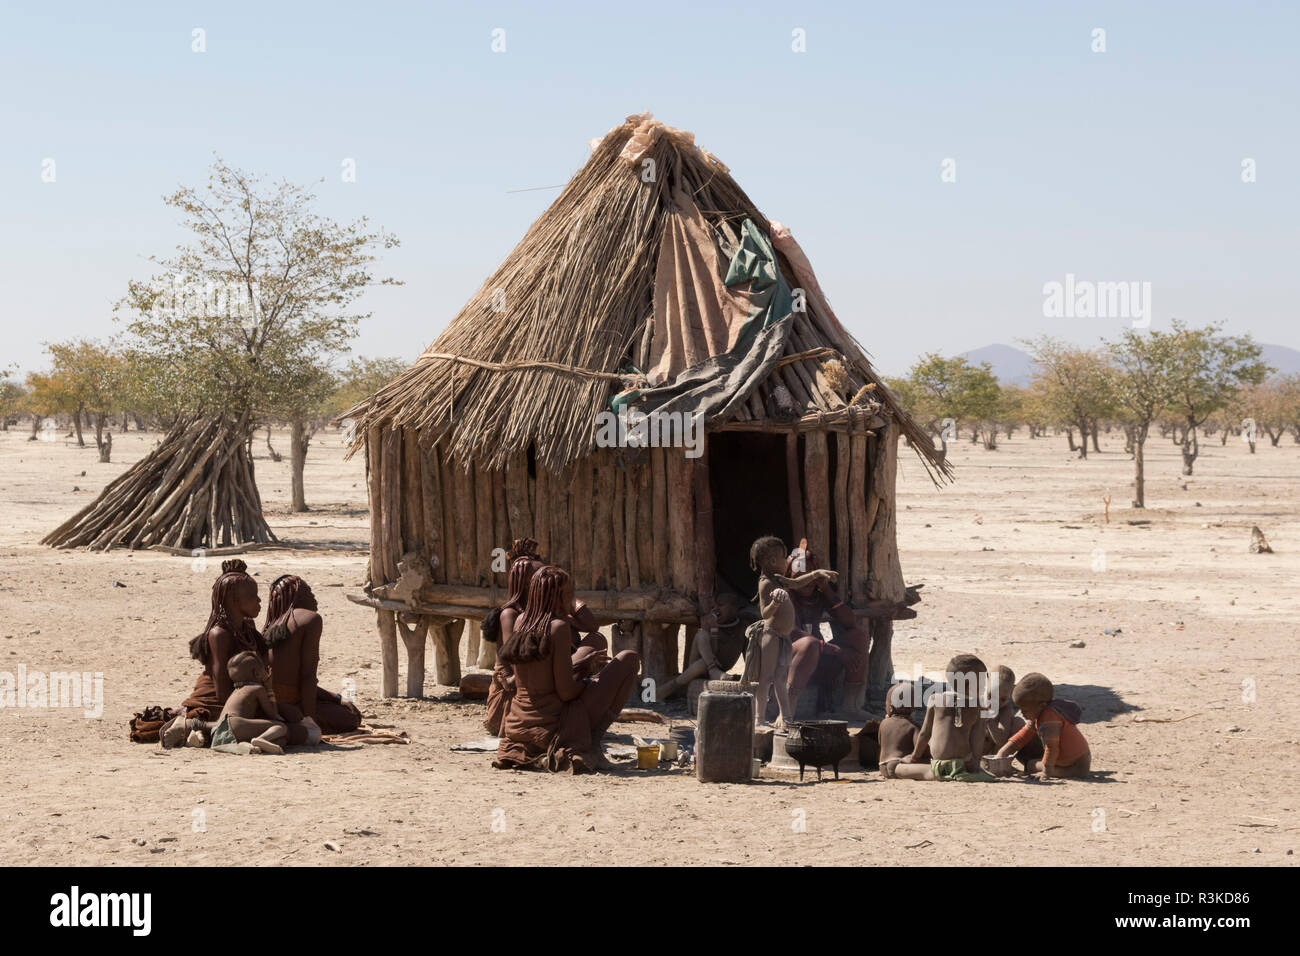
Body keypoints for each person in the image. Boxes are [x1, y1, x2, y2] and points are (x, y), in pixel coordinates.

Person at [493, 566, 640, 773]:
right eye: (569, 593)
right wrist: (591, 681)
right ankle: (593, 744)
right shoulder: (558, 627)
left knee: (596, 645)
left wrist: (582, 666)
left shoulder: (520, 621)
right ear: (559, 595)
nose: (572, 598)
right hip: (552, 725)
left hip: (518, 723)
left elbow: (540, 674)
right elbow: (566, 692)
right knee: (629, 659)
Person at [262, 574, 362, 735]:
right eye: (308, 591)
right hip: (291, 705)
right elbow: (307, 677)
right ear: (298, 595)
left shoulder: (271, 625)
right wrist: (310, 720)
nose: (313, 596)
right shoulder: (311, 619)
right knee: (351, 717)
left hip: (271, 703)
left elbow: (292, 682)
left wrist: (336, 697)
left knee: (340, 706)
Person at [882, 654, 994, 782]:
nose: (985, 687)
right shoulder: (977, 707)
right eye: (983, 683)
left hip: (938, 765)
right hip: (964, 764)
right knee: (985, 775)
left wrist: (914, 757)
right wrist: (975, 763)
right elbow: (977, 738)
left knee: (897, 770)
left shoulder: (935, 699)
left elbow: (925, 733)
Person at [179, 560, 268, 721]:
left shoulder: (248, 629)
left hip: (244, 694)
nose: (259, 600)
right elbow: (222, 690)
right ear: (234, 600)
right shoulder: (219, 634)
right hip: (217, 700)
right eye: (252, 596)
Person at [654, 592, 754, 700]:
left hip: (719, 668)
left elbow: (747, 653)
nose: (716, 608)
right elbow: (713, 651)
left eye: (721, 605)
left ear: (734, 609)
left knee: (703, 664)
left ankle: (711, 669)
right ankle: (710, 669)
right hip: (701, 665)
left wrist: (750, 675)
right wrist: (714, 629)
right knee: (702, 635)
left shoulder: (742, 627)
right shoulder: (711, 623)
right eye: (714, 606)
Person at [995, 673, 1090, 779]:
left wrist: (1046, 772)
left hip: (1076, 765)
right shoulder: (1039, 715)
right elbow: (1022, 736)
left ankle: (1065, 772)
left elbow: (1051, 747)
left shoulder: (1050, 718)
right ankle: (1053, 768)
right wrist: (1002, 753)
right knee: (1031, 764)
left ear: (1041, 706)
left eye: (1024, 709)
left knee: (1031, 766)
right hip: (1068, 761)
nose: (1022, 713)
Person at [208, 651, 295, 754]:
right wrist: (269, 688)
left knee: (281, 741)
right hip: (235, 724)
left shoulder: (236, 691)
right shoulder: (257, 689)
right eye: (264, 669)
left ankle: (250, 744)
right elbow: (273, 714)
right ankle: (260, 739)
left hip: (219, 728)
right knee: (281, 727)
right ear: (256, 673)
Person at [983, 665, 1044, 769]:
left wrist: (989, 720)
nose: (996, 703)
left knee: (1018, 723)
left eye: (1002, 699)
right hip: (974, 752)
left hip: (995, 756)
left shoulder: (1005, 710)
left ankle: (1001, 764)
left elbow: (1001, 741)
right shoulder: (974, 703)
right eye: (991, 696)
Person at [877, 682, 919, 764]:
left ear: (891, 708)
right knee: (929, 770)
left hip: (882, 765)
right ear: (914, 708)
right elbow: (921, 749)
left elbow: (880, 743)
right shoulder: (913, 727)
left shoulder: (883, 723)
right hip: (900, 765)